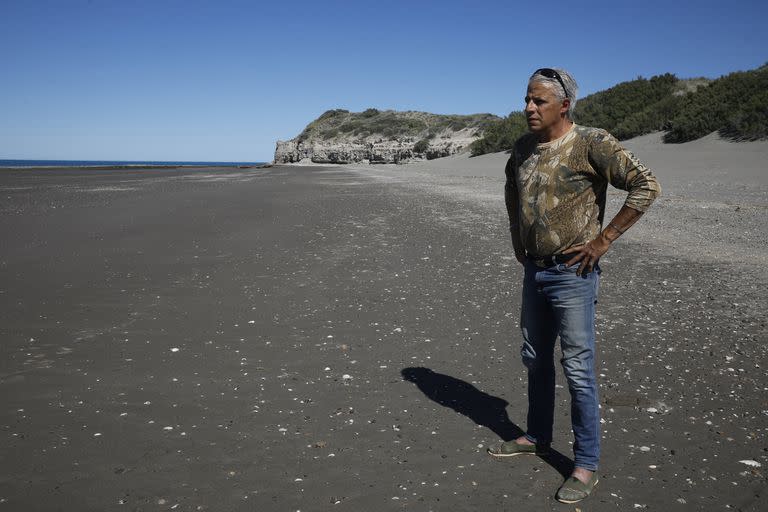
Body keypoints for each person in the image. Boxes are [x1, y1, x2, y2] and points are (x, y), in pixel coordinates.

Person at [487, 68, 661, 503]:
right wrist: (516, 237)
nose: (529, 107)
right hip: (535, 270)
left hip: (573, 274)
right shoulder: (524, 146)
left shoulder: (592, 142)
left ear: (563, 105)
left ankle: (585, 465)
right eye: (527, 99)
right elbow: (512, 188)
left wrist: (603, 241)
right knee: (535, 358)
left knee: (578, 371)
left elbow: (646, 185)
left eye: (539, 101)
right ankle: (537, 437)